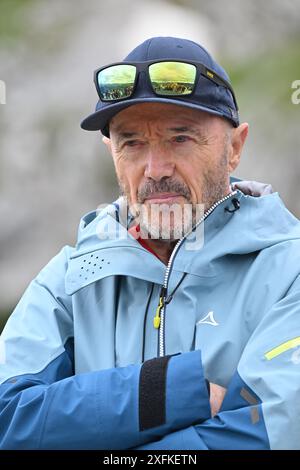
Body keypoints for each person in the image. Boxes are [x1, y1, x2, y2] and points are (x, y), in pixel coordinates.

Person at [0, 36, 299, 450]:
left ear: (234, 148)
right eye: (132, 143)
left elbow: (272, 433)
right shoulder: (70, 279)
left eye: (181, 138)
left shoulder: (290, 271)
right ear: (111, 150)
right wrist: (172, 393)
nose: (155, 169)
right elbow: (8, 419)